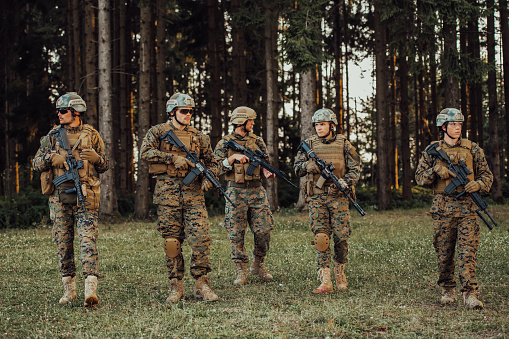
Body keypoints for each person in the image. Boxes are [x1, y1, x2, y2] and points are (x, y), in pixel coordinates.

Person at [140, 93, 220, 303]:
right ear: (172, 112)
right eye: (184, 111)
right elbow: (145, 152)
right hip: (168, 195)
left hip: (194, 194)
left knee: (201, 239)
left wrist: (209, 178)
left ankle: (201, 283)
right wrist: (172, 158)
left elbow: (214, 162)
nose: (188, 115)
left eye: (191, 112)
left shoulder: (200, 136)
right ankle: (176, 286)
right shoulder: (158, 132)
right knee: (172, 242)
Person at [32, 92, 109, 307]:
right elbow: (35, 163)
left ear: (76, 112)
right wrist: (51, 158)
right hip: (59, 198)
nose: (59, 114)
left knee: (88, 241)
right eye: (58, 110)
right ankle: (69, 290)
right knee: (63, 243)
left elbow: (105, 165)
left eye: (63, 110)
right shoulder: (52, 136)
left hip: (85, 195)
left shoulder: (92, 135)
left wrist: (97, 158)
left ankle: (90, 290)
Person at [415, 108, 493, 309]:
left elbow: (487, 176)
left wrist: (478, 185)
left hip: (467, 209)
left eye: (459, 124)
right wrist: (435, 170)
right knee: (444, 252)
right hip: (442, 211)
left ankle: (470, 294)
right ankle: (448, 288)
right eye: (453, 124)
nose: (457, 128)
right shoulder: (432, 151)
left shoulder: (473, 149)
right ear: (443, 127)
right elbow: (419, 178)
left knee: (467, 253)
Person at [293, 109, 361, 294]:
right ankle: (326, 279)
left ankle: (340, 271)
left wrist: (345, 182)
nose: (319, 128)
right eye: (316, 125)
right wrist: (309, 165)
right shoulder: (308, 144)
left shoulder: (344, 144)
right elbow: (297, 168)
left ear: (332, 125)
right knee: (321, 237)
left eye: (322, 124)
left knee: (341, 237)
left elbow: (356, 168)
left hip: (339, 197)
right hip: (316, 197)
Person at [213, 106, 276, 285]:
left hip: (257, 191)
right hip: (235, 192)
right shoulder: (224, 143)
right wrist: (232, 159)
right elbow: (215, 168)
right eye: (251, 121)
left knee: (264, 230)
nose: (253, 123)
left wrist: (265, 169)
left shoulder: (257, 141)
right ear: (242, 122)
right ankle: (241, 270)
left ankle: (258, 264)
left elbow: (266, 161)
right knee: (236, 233)